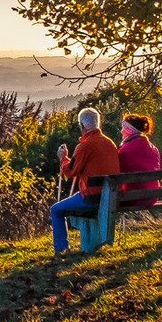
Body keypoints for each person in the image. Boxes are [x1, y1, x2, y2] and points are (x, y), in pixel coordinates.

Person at [48, 107, 119, 252]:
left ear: (82, 126)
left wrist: (63, 158)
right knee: (64, 205)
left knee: (55, 210)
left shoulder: (84, 146)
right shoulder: (110, 143)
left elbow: (69, 171)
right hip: (110, 197)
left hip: (91, 198)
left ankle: (61, 248)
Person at [117, 113, 161, 206]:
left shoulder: (125, 150)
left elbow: (116, 172)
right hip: (152, 197)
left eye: (123, 128)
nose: (121, 131)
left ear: (129, 130)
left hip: (133, 198)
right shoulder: (154, 149)